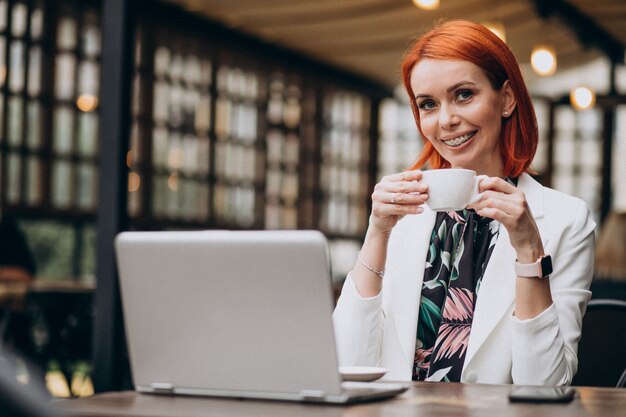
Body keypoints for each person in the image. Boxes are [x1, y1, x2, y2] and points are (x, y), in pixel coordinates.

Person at [332, 20, 595, 385]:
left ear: (506, 99)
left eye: (463, 95)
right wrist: (377, 233)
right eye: (428, 104)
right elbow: (347, 364)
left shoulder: (566, 219)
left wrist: (528, 248)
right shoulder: (404, 214)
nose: (447, 120)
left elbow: (545, 387)